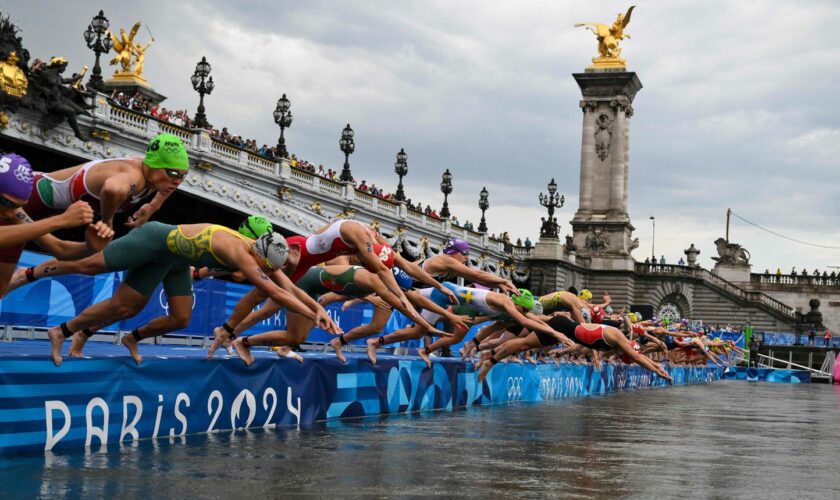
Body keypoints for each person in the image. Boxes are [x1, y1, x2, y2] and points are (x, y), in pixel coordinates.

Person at [9, 222, 338, 365]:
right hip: (154, 241)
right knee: (90, 266)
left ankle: (72, 332)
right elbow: (272, 291)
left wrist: (317, 309)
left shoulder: (262, 253)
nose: (267, 271)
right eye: (266, 267)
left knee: (176, 317)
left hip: (175, 260)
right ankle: (30, 272)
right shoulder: (240, 252)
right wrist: (312, 314)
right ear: (261, 256)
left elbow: (288, 286)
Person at [206, 219, 459, 358]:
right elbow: (390, 284)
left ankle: (231, 332)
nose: (366, 263)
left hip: (307, 265)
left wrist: (438, 285)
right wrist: (424, 325)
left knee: (271, 303)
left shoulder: (378, 243)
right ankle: (227, 328)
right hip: (295, 256)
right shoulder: (361, 245)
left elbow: (405, 269)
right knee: (259, 290)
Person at [0, 153, 114, 297]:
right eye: (7, 203)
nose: (8, 213)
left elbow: (60, 249)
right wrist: (61, 220)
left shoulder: (13, 212)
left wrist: (90, 247)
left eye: (18, 206)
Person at [24, 133, 188, 230]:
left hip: (43, 209)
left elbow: (169, 181)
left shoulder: (158, 177)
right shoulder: (134, 176)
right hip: (27, 195)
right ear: (154, 165)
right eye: (173, 173)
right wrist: (107, 221)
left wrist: (153, 206)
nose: (177, 181)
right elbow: (112, 189)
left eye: (183, 175)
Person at [477, 315, 673, 383]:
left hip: (565, 326)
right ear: (625, 350)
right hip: (562, 327)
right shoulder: (619, 340)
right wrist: (659, 372)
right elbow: (638, 359)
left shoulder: (621, 342)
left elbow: (639, 357)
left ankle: (489, 357)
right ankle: (489, 359)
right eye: (624, 356)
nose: (620, 357)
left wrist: (658, 367)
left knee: (523, 338)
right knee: (524, 342)